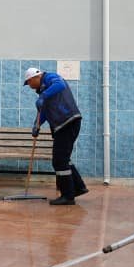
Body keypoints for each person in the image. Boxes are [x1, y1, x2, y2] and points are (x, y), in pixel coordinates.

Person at [23, 66, 88, 206]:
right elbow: (44, 112)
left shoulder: (50, 77)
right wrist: (37, 124)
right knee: (63, 159)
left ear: (36, 77)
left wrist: (44, 96)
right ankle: (78, 187)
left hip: (68, 122)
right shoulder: (41, 90)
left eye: (28, 82)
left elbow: (61, 84)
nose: (29, 86)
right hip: (62, 125)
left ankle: (68, 196)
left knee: (59, 161)